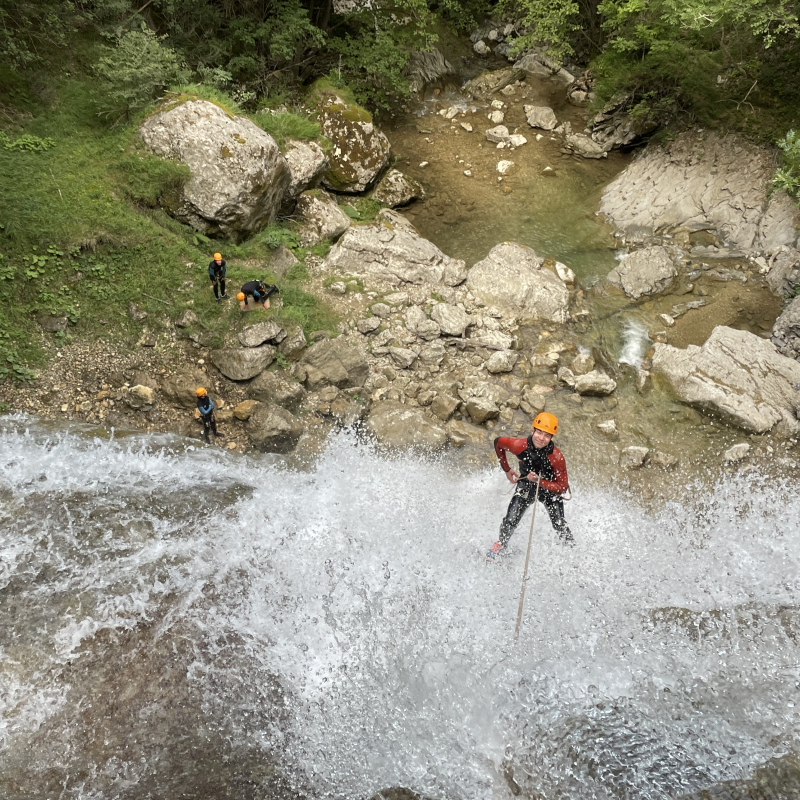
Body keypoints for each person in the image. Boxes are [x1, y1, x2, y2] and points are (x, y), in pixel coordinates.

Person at [487, 411, 573, 561]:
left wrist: (540, 482)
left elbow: (562, 487)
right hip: (526, 484)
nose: (542, 438)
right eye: (539, 432)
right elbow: (498, 443)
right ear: (532, 430)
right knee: (510, 519)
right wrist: (506, 469)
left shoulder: (556, 457)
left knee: (559, 524)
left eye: (547, 435)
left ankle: (572, 549)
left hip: (549, 490)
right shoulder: (519, 445)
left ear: (551, 438)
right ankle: (501, 545)